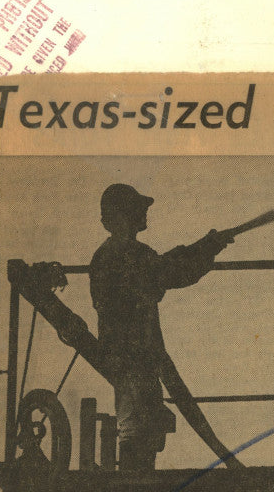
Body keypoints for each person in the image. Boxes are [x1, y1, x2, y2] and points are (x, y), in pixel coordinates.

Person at [89, 183, 242, 471]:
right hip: (133, 355)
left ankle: (136, 481)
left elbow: (164, 265)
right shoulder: (126, 254)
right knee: (139, 426)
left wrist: (206, 244)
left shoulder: (112, 254)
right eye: (137, 208)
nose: (144, 213)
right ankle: (135, 485)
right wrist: (210, 247)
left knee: (143, 423)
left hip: (131, 354)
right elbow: (171, 271)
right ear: (122, 216)